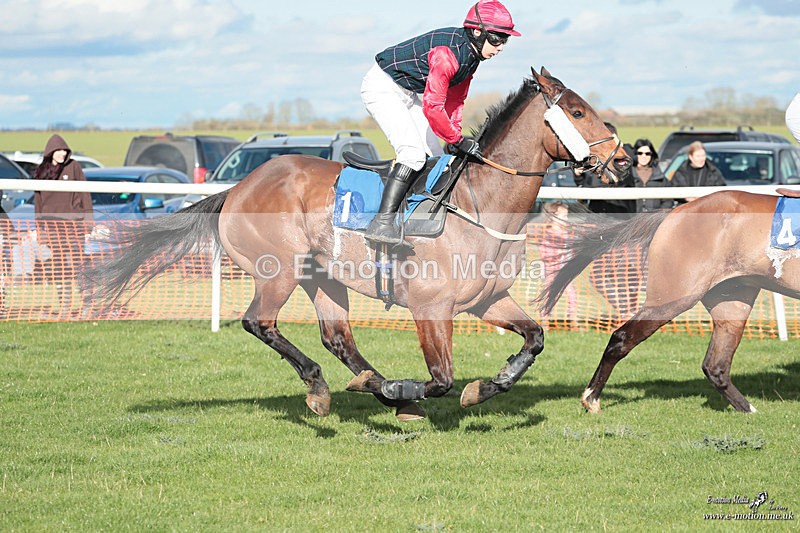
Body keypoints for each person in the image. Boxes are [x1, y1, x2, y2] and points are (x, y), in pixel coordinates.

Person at [361, 0, 520, 245]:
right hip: (382, 87)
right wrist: (456, 140)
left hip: (410, 92)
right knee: (412, 155)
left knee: (437, 159)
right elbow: (433, 107)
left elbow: (455, 101)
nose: (500, 47)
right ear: (477, 31)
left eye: (505, 40)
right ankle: (381, 223)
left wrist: (454, 139)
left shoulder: (472, 58)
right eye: (497, 38)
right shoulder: (448, 55)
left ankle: (412, 219)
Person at [33, 134, 94, 318]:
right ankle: (65, 307)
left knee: (78, 267)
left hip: (74, 228)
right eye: (58, 150)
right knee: (59, 270)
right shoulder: (41, 172)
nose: (61, 153)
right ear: (50, 151)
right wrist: (40, 231)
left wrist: (88, 222)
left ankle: (86, 306)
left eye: (64, 150)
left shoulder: (74, 167)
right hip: (53, 229)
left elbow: (85, 195)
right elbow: (38, 203)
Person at [536, 201, 577, 329]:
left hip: (564, 271)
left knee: (571, 294)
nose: (566, 219)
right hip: (551, 271)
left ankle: (573, 320)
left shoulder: (566, 233)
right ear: (553, 217)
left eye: (567, 216)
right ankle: (545, 321)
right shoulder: (547, 233)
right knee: (550, 295)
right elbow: (543, 252)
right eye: (563, 216)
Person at [630, 138, 672, 212]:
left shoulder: (660, 177)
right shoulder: (628, 176)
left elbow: (668, 201)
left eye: (647, 153)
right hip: (632, 220)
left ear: (652, 155)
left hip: (654, 220)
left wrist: (658, 216)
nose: (644, 156)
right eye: (640, 153)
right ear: (634, 154)